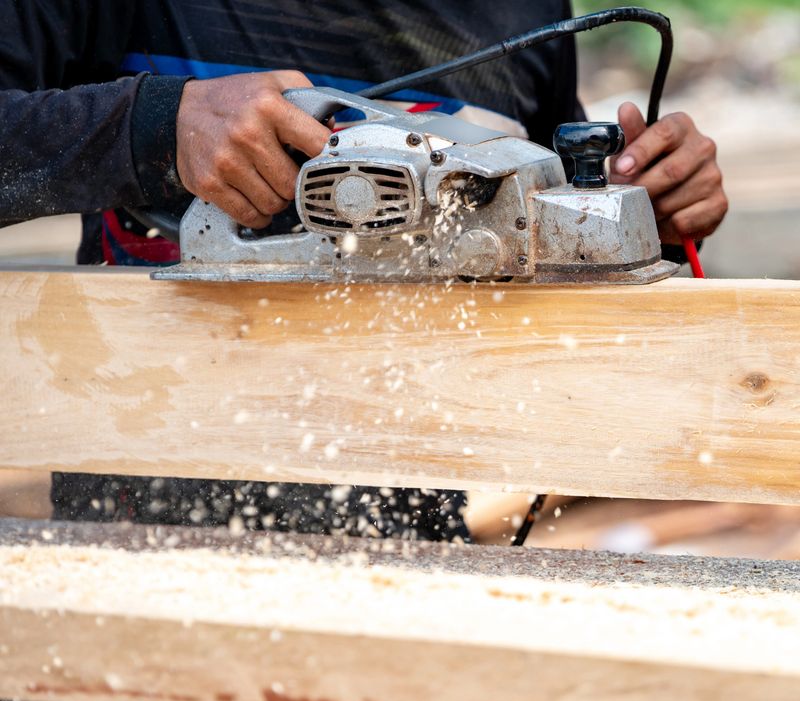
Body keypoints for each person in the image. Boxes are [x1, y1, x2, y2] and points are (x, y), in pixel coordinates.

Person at [1, 1, 727, 540]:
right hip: (142, 493)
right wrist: (152, 126)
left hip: (410, 505)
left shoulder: (525, 12)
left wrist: (636, 213)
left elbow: (523, 228)